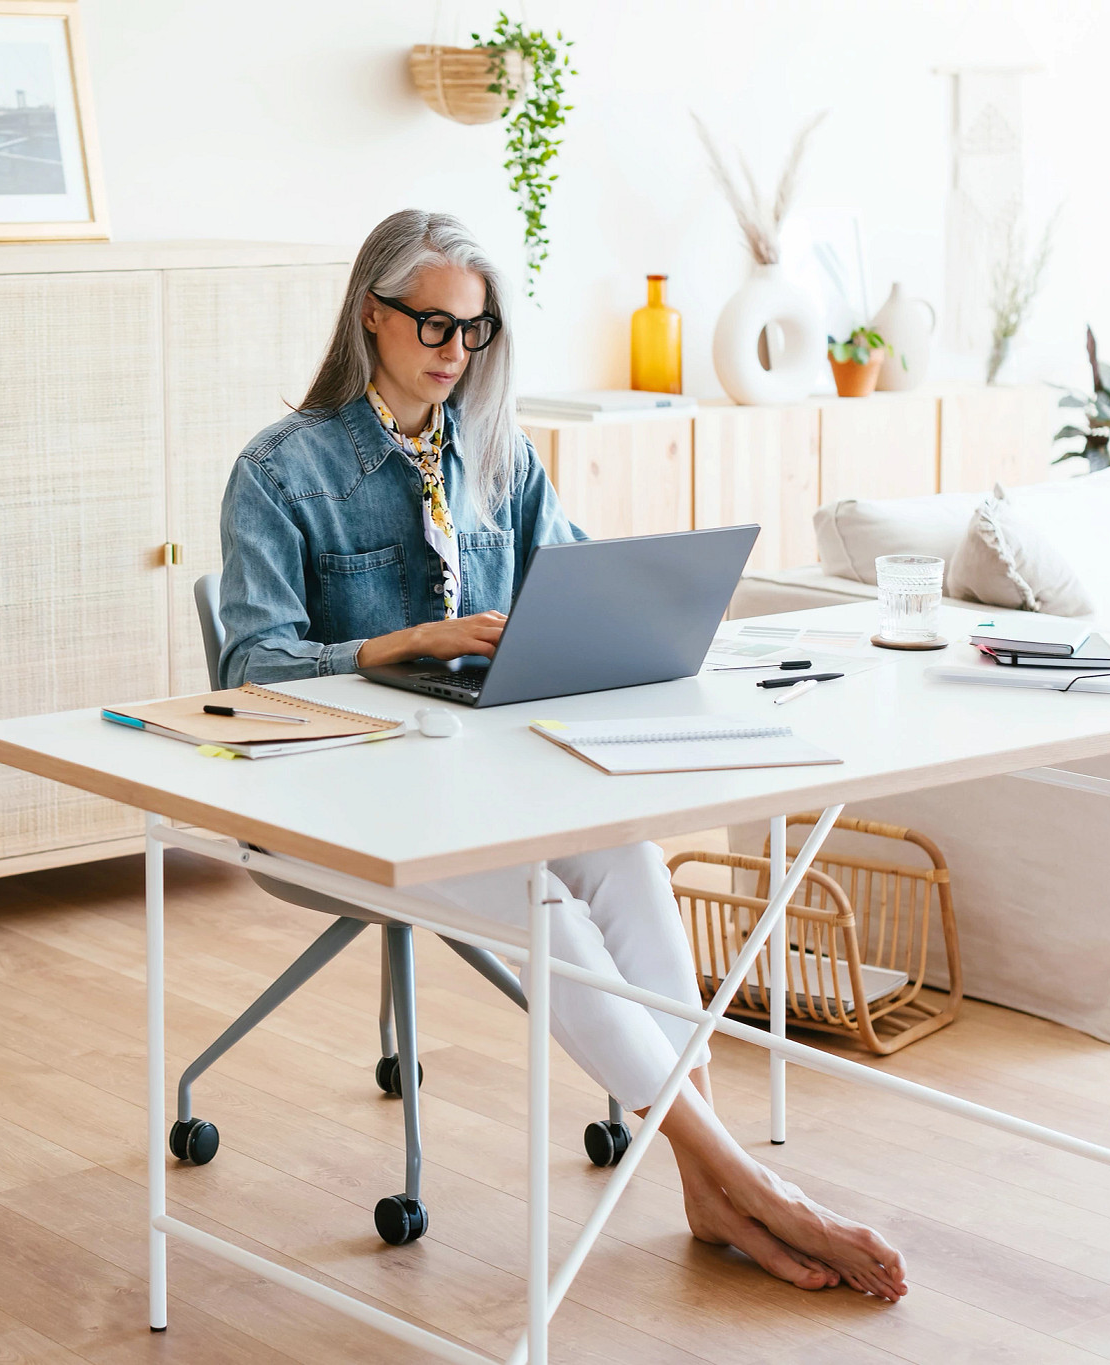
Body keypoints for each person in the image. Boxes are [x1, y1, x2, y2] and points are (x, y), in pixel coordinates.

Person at [216, 208, 907, 1301]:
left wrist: (647, 612)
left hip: (485, 779)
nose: (455, 351)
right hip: (338, 800)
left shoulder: (498, 456)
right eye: (433, 324)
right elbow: (249, 668)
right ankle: (738, 1178)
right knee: (555, 908)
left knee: (626, 855)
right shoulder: (279, 469)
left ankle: (703, 1173)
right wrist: (409, 641)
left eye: (474, 330)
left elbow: (576, 587)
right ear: (370, 316)